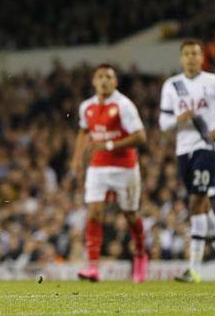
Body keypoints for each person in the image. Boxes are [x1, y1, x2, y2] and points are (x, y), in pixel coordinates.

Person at [159, 39, 215, 283]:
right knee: (202, 204)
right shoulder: (172, 85)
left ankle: (193, 267)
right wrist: (179, 119)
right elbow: (163, 124)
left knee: (196, 201)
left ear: (202, 57)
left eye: (195, 53)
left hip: (207, 147)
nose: (191, 58)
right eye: (186, 54)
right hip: (183, 150)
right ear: (181, 58)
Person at [71, 64, 148, 283]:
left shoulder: (124, 105)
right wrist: (77, 158)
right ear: (94, 81)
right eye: (100, 77)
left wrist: (110, 145)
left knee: (130, 215)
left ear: (115, 82)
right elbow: (84, 130)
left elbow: (141, 137)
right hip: (97, 167)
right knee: (94, 212)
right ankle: (93, 266)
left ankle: (141, 255)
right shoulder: (86, 107)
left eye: (109, 77)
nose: (104, 80)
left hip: (125, 168)